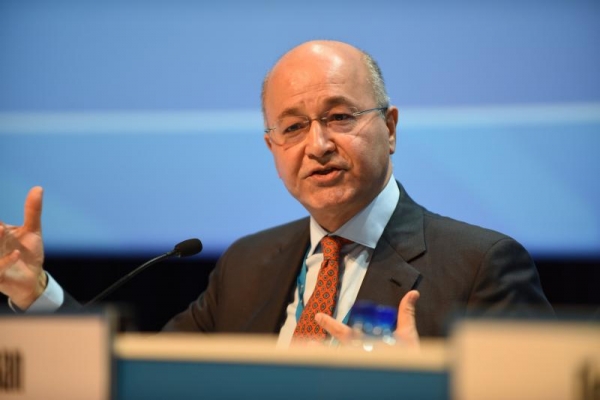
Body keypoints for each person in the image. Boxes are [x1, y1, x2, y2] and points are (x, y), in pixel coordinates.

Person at [0, 40, 552, 348]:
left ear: (389, 128)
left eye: (340, 117)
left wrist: (422, 387)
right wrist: (36, 293)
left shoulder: (480, 266)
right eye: (292, 127)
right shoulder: (246, 263)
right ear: (272, 147)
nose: (318, 145)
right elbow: (139, 377)